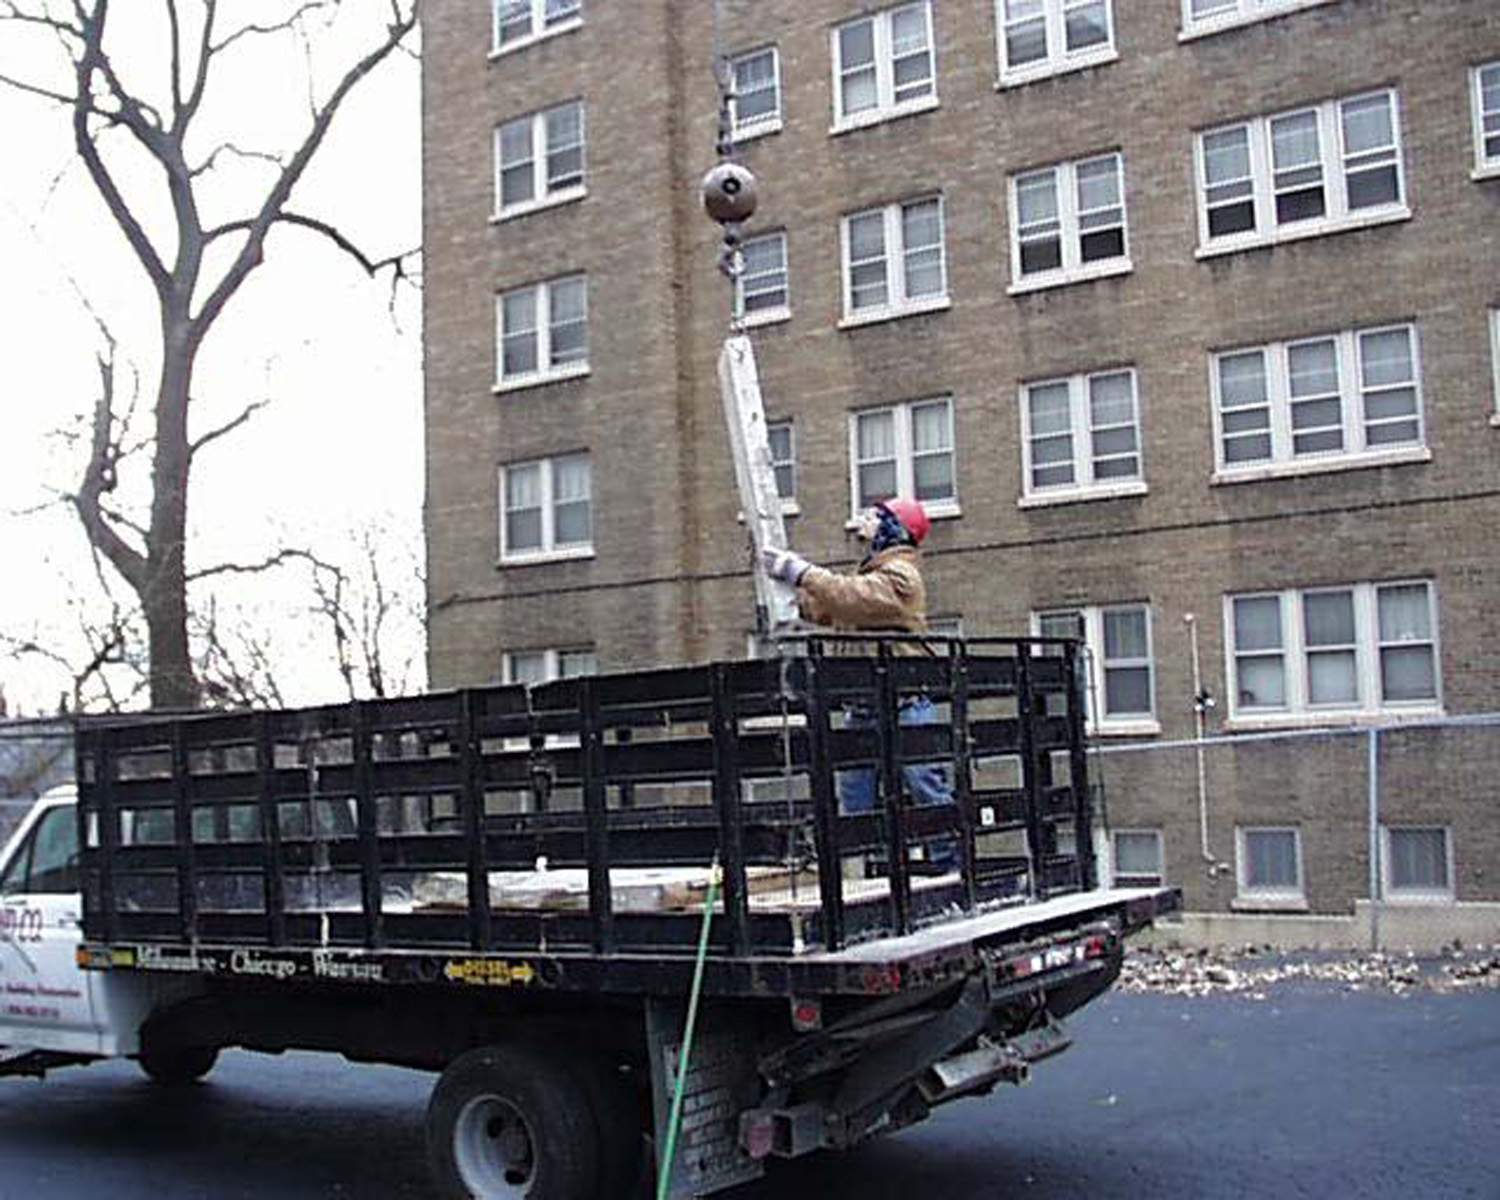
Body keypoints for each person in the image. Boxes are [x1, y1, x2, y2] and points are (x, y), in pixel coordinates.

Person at [761, 498, 957, 873]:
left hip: (905, 703)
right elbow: (832, 607)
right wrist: (786, 595)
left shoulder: (901, 576)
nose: (865, 525)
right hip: (864, 706)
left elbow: (851, 597)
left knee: (924, 785)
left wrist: (801, 572)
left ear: (894, 530)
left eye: (877, 518)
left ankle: (950, 867)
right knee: (855, 794)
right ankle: (866, 871)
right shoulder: (872, 573)